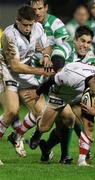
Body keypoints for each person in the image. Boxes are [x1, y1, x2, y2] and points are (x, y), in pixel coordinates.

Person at [25, 62, 95, 166]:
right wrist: (37, 93)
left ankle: (82, 161)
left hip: (79, 97)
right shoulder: (71, 76)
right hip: (61, 94)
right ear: (94, 80)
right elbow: (51, 79)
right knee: (44, 127)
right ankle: (37, 130)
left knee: (89, 126)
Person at [1, 5, 53, 157]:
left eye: (30, 24)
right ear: (17, 21)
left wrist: (46, 56)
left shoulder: (38, 27)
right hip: (6, 71)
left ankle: (16, 136)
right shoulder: (9, 35)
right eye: (24, 25)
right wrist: (41, 71)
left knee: (43, 114)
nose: (28, 28)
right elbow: (15, 66)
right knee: (11, 111)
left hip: (25, 73)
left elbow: (47, 47)